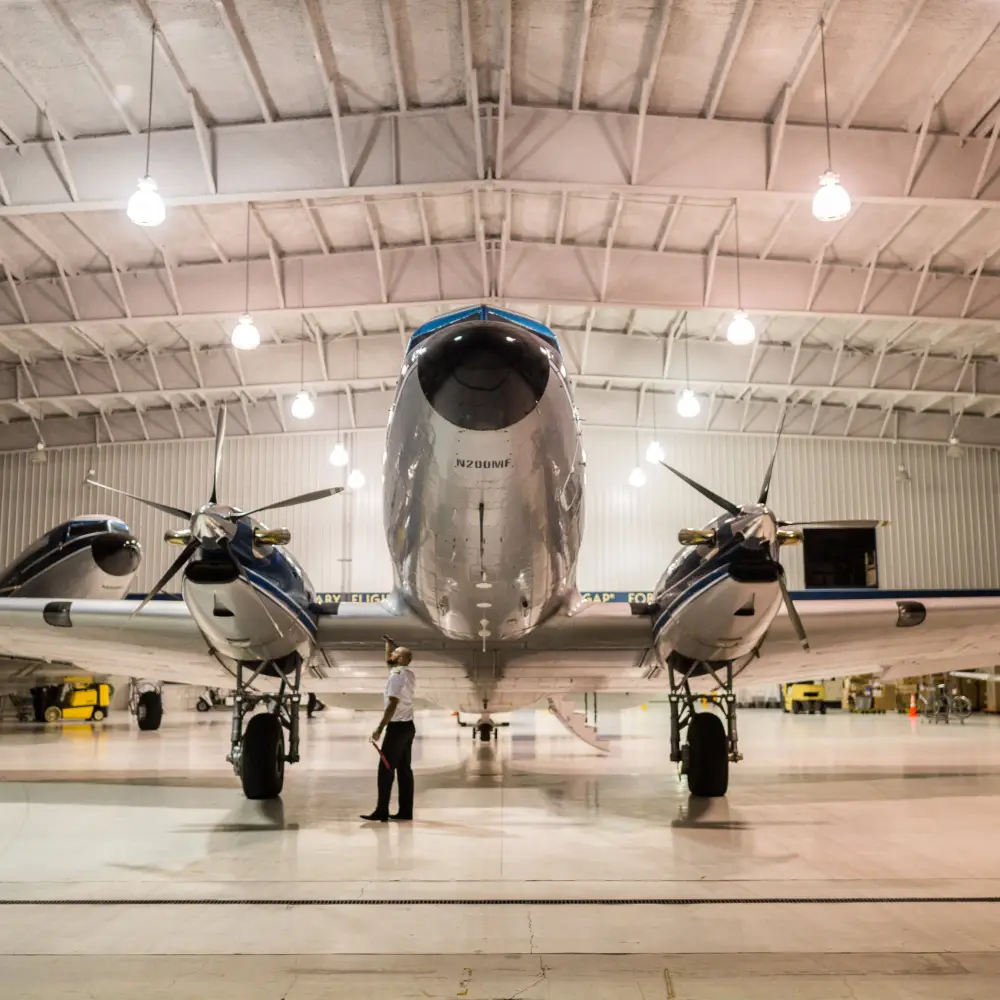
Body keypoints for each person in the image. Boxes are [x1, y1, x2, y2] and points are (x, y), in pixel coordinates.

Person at [360, 636, 416, 822]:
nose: (391, 654)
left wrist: (379, 728)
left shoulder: (396, 676)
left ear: (400, 659)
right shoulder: (407, 674)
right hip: (408, 726)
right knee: (404, 770)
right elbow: (390, 663)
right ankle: (405, 811)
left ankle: (381, 810)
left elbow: (392, 703)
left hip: (397, 728)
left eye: (395, 653)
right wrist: (389, 646)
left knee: (385, 769)